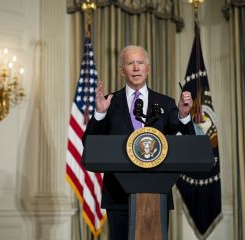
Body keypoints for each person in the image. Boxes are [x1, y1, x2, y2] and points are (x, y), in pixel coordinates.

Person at [83, 45, 195, 239]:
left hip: (157, 194)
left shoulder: (167, 103)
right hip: (118, 196)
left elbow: (188, 144)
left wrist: (184, 116)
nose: (136, 68)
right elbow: (89, 145)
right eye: (130, 63)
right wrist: (100, 114)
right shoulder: (109, 102)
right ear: (122, 71)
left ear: (148, 68)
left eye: (140, 63)